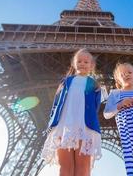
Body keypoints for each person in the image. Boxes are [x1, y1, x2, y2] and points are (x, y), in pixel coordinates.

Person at [41, 48, 102, 176]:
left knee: (83, 167)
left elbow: (96, 106)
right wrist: (53, 123)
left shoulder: (94, 84)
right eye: (79, 61)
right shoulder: (66, 82)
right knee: (65, 167)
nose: (82, 64)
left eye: (86, 62)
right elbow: (56, 103)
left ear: (92, 65)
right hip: (64, 125)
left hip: (84, 126)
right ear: (74, 64)